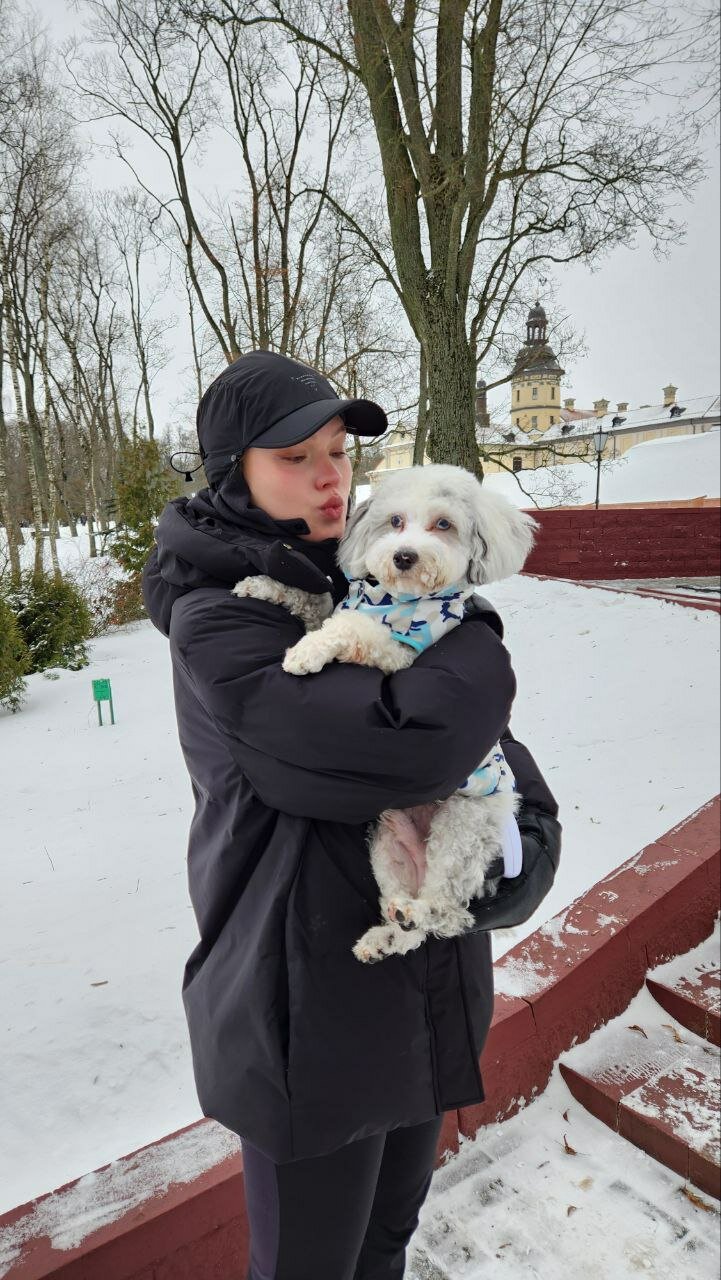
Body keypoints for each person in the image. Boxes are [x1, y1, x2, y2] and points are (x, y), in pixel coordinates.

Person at [142, 350, 561, 1280]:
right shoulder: (219, 616)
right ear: (234, 472)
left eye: (337, 450)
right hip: (305, 999)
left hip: (418, 986)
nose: (329, 475)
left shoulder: (358, 578)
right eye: (295, 457)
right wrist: (478, 632)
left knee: (384, 1244)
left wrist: (528, 832)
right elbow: (408, 745)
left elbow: (483, 747)